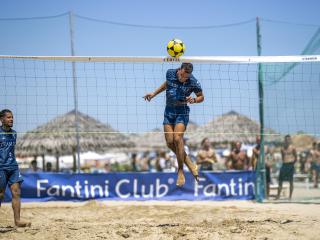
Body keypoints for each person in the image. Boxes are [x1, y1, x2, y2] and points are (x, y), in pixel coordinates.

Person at [144, 63, 204, 187]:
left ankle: (181, 171)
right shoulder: (170, 73)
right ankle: (190, 163)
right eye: (182, 75)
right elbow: (167, 84)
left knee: (177, 138)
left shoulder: (193, 81)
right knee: (170, 143)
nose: (184, 78)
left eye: (186, 77)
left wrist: (194, 100)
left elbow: (201, 97)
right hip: (169, 111)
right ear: (179, 70)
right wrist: (153, 94)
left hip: (182, 111)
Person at [0, 109, 31, 227]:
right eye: (8, 117)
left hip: (13, 166)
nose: (11, 119)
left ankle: (17, 221)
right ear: (2, 119)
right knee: (1, 194)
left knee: (16, 192)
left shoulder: (14, 133)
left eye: (12, 117)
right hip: (1, 167)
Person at [276, 135, 297, 200]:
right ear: (284, 140)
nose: (287, 141)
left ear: (290, 140)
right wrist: (285, 162)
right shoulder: (282, 148)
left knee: (291, 181)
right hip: (284, 165)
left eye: (288, 139)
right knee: (280, 180)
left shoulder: (293, 148)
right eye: (286, 140)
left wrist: (292, 164)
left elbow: (296, 157)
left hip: (290, 165)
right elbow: (283, 157)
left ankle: (290, 196)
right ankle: (278, 196)